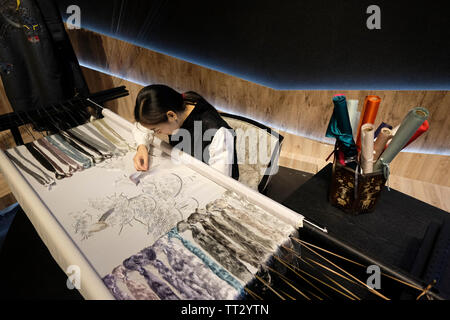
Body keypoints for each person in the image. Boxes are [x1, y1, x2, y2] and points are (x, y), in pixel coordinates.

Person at [132, 84, 239, 180]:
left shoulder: (217, 133)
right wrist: (142, 147)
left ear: (171, 115)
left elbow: (220, 180)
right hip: (186, 166)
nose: (157, 133)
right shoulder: (178, 106)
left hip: (213, 179)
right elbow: (141, 128)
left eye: (157, 130)